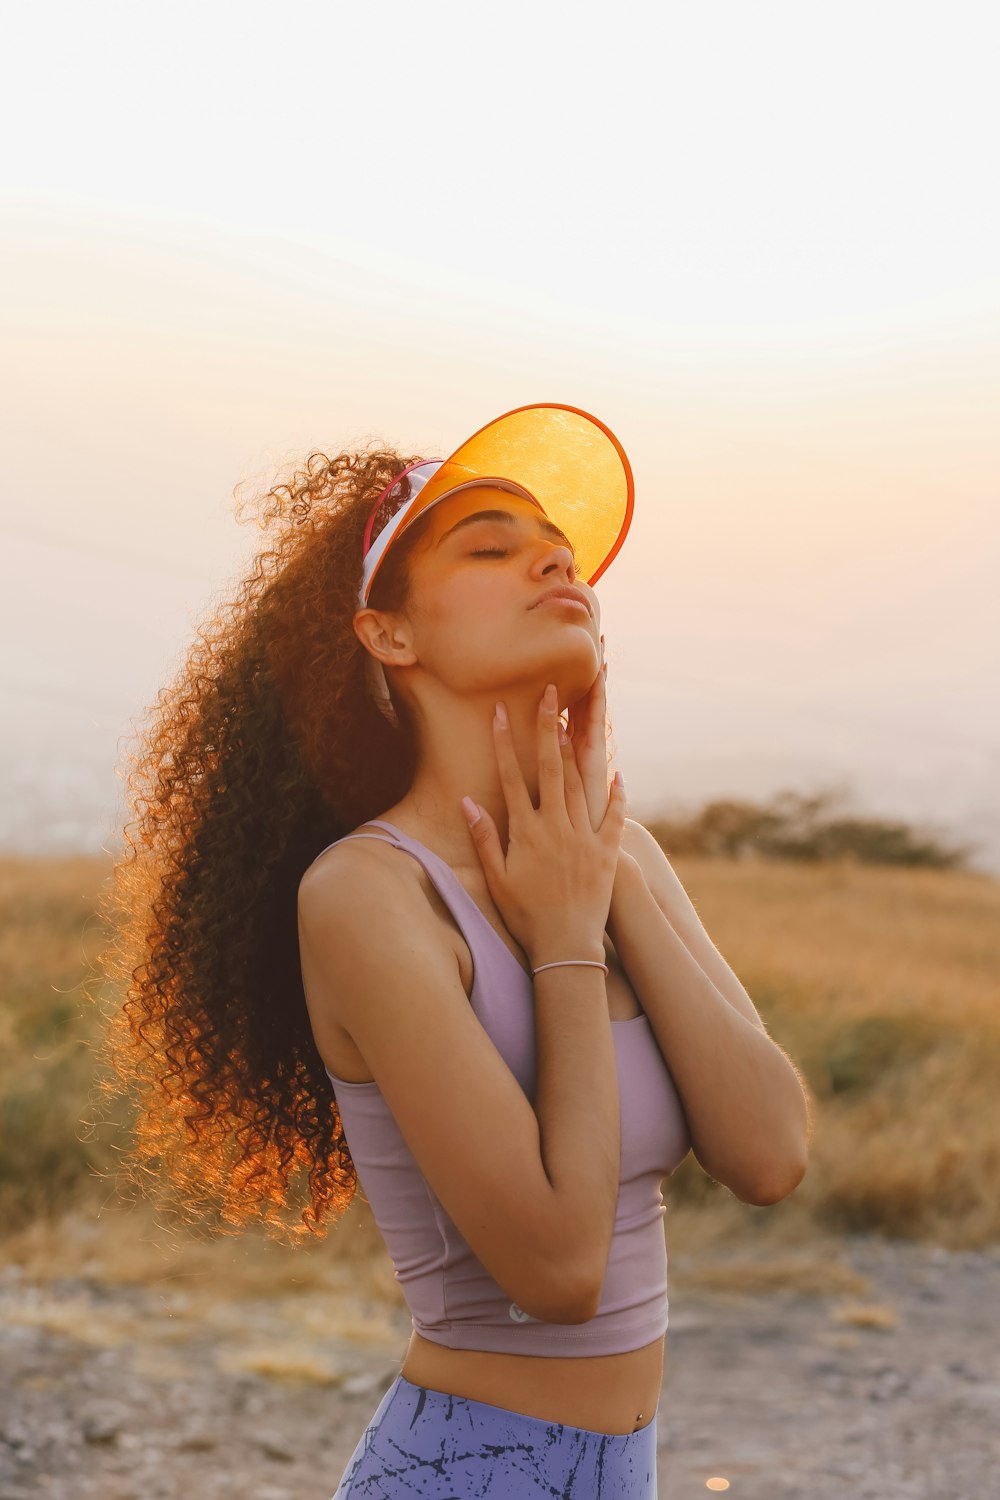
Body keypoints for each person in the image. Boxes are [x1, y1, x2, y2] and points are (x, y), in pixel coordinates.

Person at [101, 404, 811, 1498]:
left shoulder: (623, 862)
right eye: (490, 545)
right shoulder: (367, 896)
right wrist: (566, 941)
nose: (551, 559)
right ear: (391, 634)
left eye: (562, 552)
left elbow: (768, 1156)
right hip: (462, 1472)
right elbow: (560, 1271)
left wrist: (601, 871)